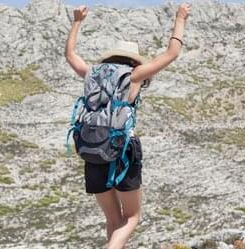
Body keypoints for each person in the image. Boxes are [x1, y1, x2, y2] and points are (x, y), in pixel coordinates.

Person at [65, 3, 191, 249]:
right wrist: (180, 18)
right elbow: (172, 53)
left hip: (92, 151)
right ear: (133, 60)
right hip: (122, 150)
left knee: (113, 220)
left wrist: (77, 22)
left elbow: (70, 55)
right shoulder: (134, 75)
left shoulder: (91, 73)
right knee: (132, 217)